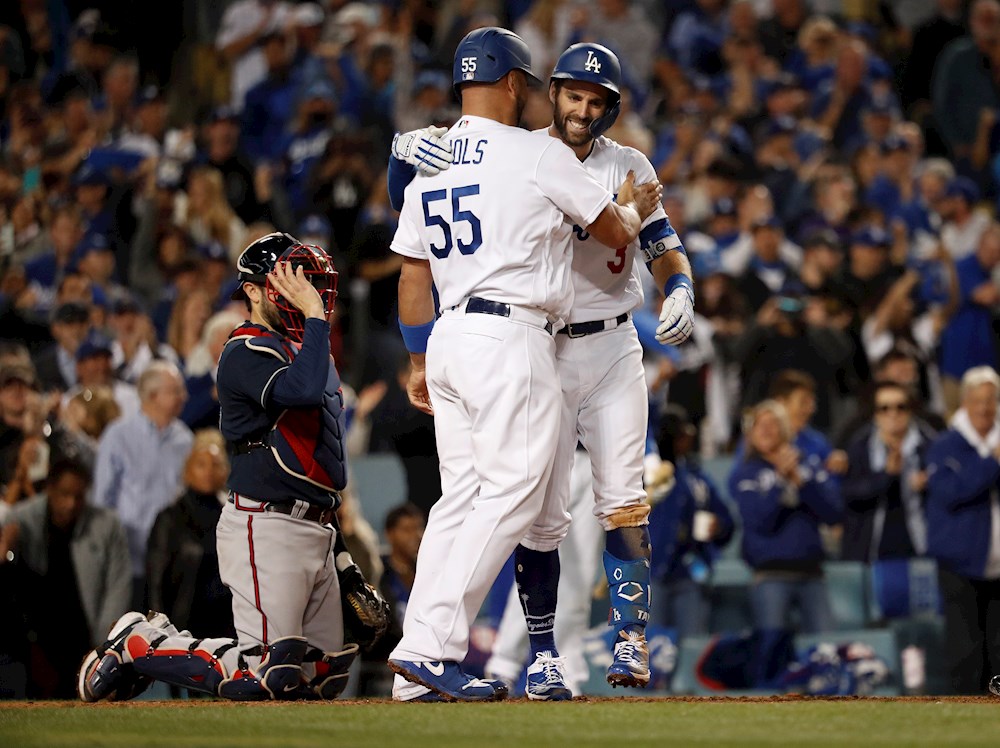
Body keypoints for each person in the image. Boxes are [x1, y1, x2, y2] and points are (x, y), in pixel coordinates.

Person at [387, 27, 659, 703]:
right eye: (529, 85)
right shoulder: (534, 153)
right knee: (514, 493)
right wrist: (633, 208)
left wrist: (418, 360)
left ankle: (416, 668)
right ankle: (431, 648)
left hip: (448, 335)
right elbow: (614, 232)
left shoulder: (433, 158)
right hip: (510, 336)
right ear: (512, 83)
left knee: (461, 503)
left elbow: (411, 279)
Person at [78, 233, 359, 703]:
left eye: (307, 282)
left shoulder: (312, 352)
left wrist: (343, 557)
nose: (303, 291)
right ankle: (139, 644)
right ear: (253, 290)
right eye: (288, 281)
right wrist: (314, 316)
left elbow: (323, 465)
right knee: (267, 674)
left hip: (316, 527)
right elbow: (303, 392)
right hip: (265, 523)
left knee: (319, 677)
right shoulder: (243, 349)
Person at [6, 458, 131, 698]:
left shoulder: (106, 525)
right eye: (64, 494)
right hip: (37, 641)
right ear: (50, 489)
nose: (71, 503)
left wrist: (103, 648)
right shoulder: (21, 520)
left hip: (86, 637)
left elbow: (118, 587)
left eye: (79, 496)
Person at [728, 399, 842, 634]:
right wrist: (780, 482)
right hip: (770, 576)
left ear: (786, 430)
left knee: (826, 647)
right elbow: (759, 520)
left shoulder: (809, 466)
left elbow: (833, 513)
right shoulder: (745, 474)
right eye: (760, 424)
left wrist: (801, 482)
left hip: (813, 574)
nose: (767, 429)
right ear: (750, 434)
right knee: (772, 648)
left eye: (773, 423)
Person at [925, 366, 1000, 694]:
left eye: (991, 400)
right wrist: (992, 463)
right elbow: (949, 493)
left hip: (998, 566)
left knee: (998, 650)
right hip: (960, 565)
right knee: (965, 649)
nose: (985, 407)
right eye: (978, 400)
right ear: (965, 403)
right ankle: (962, 719)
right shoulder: (945, 446)